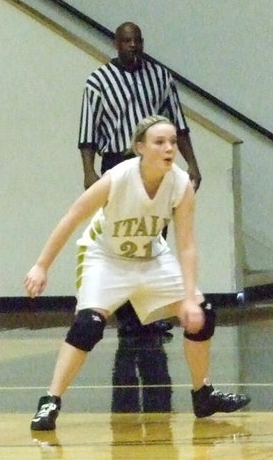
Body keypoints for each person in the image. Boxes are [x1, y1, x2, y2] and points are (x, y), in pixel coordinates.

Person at [26, 115, 249, 430]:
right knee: (88, 325)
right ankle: (50, 400)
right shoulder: (118, 178)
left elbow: (186, 246)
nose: (169, 148)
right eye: (160, 142)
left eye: (173, 142)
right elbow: (74, 215)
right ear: (140, 147)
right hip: (105, 256)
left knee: (202, 312)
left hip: (150, 257)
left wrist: (187, 297)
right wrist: (41, 265)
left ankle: (203, 394)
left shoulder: (181, 184)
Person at [79, 21, 202, 339]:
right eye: (126, 41)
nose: (132, 46)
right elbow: (88, 131)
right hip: (118, 161)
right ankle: (126, 316)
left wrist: (193, 163)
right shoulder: (99, 81)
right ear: (116, 44)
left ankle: (148, 312)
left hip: (154, 163)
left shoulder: (160, 77)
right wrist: (89, 170)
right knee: (121, 235)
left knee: (153, 237)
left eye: (137, 41)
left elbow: (179, 123)